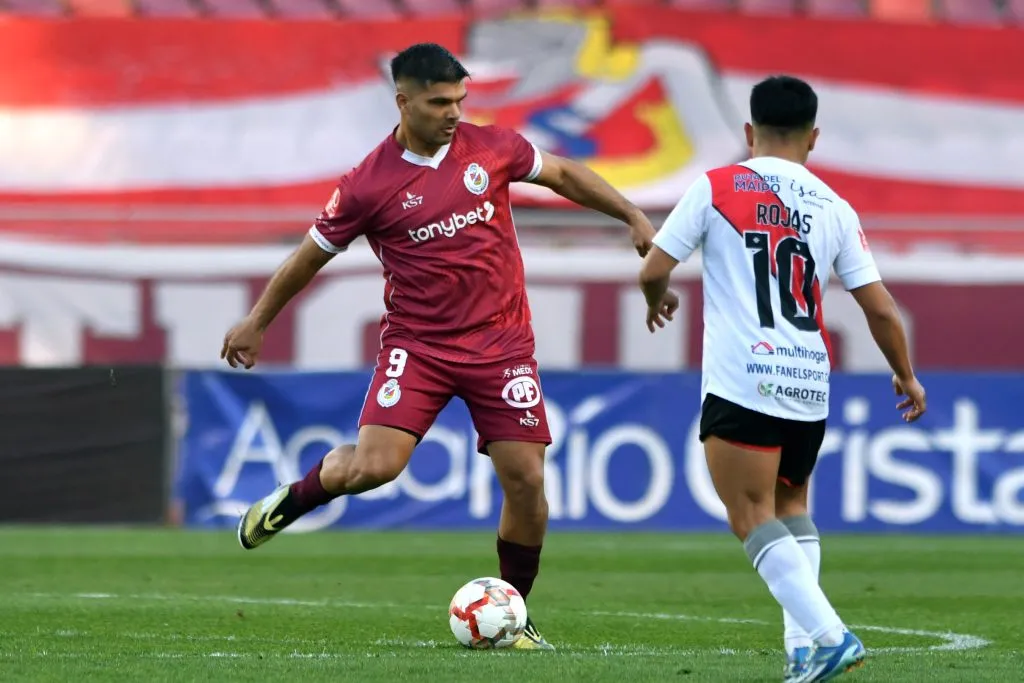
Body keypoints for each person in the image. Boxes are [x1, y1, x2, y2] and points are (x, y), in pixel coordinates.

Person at [221, 42, 675, 651]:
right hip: (420, 346)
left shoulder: (492, 147)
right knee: (375, 468)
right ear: (403, 101)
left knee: (527, 481)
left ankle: (514, 614)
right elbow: (310, 258)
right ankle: (297, 496)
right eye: (439, 103)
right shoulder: (366, 185)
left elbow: (563, 173)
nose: (455, 113)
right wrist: (256, 320)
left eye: (460, 99)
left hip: (502, 343)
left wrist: (633, 217)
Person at [637, 75, 926, 681]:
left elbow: (653, 266)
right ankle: (802, 651)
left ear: (748, 131)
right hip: (807, 383)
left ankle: (829, 636)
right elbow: (878, 307)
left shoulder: (717, 186)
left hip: (744, 377)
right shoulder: (835, 208)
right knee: (791, 503)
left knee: (748, 513)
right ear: (813, 137)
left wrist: (657, 297)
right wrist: (905, 374)